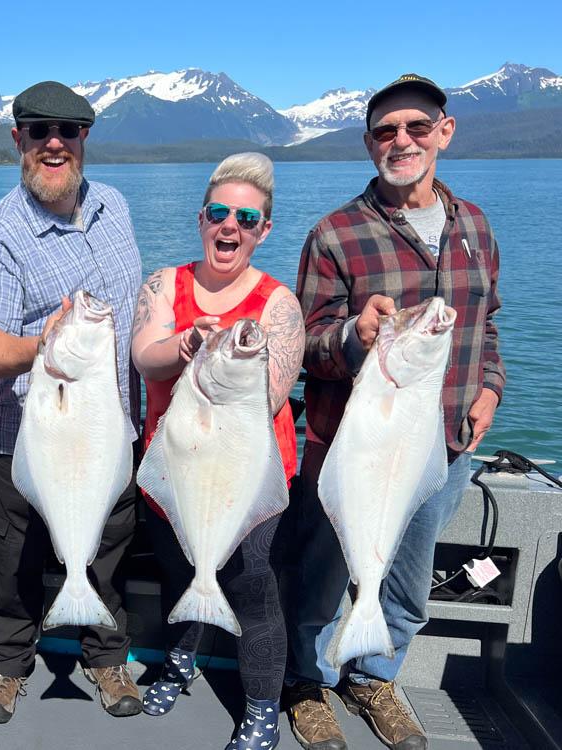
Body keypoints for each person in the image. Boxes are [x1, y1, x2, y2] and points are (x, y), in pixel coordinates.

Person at [284, 73, 506, 750]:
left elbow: (488, 326)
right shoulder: (336, 234)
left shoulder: (475, 225)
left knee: (408, 578)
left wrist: (491, 388)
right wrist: (355, 334)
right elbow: (306, 347)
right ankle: (308, 684)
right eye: (385, 131)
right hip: (351, 449)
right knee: (322, 574)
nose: (401, 140)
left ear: (444, 131)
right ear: (368, 144)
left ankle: (375, 676)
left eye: (416, 126)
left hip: (442, 448)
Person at [0, 80, 143, 723]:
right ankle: (8, 668)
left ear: (85, 139)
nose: (54, 143)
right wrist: (46, 344)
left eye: (68, 131)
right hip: (21, 442)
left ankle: (107, 657)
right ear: (19, 140)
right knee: (11, 565)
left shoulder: (114, 206)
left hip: (108, 431)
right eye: (39, 132)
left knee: (108, 550)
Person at [131, 153, 303, 749]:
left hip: (248, 474)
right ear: (201, 218)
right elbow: (143, 355)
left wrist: (229, 357)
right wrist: (186, 344)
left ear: (263, 230)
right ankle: (181, 662)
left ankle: (261, 707)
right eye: (219, 213)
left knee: (253, 585)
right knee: (183, 572)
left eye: (246, 219)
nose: (230, 227)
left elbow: (271, 393)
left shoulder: (279, 304)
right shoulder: (163, 284)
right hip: (173, 465)